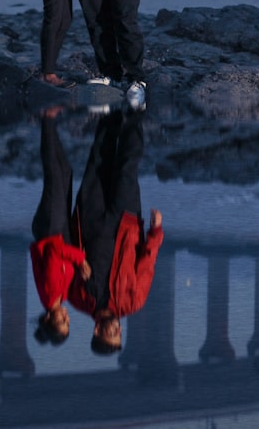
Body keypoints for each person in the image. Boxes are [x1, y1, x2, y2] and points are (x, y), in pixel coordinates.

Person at [68, 109, 163, 355]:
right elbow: (146, 264)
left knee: (98, 159)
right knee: (127, 167)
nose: (116, 330)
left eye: (111, 335)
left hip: (88, 219)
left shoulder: (77, 299)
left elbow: (63, 260)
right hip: (125, 222)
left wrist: (79, 265)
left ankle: (108, 108)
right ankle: (135, 108)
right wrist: (155, 232)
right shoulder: (134, 302)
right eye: (118, 334)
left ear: (97, 332)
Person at [30, 107, 91, 345]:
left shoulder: (50, 291)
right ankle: (51, 121)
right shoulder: (61, 296)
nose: (67, 317)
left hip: (49, 231)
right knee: (65, 173)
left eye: (61, 321)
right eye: (68, 322)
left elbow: (55, 254)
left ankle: (47, 117)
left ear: (48, 319)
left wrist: (81, 260)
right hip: (58, 232)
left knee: (54, 176)